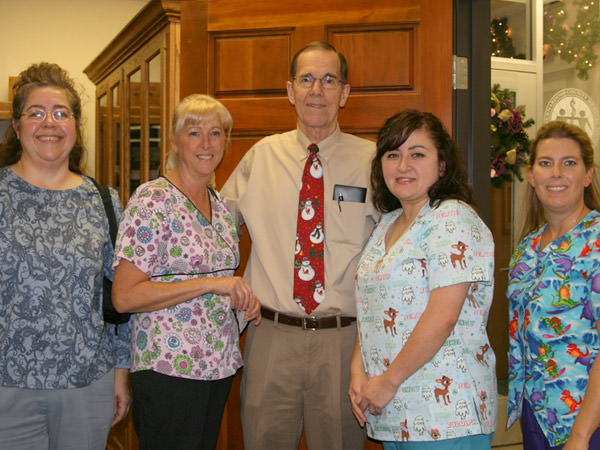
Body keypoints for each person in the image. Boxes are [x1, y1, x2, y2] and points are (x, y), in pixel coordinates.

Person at [221, 41, 377, 449]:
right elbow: (213, 231)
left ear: (344, 93)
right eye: (306, 79)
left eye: (329, 80)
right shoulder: (260, 157)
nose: (317, 91)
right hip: (271, 335)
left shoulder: (374, 163)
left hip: (344, 341)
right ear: (290, 90)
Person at [112, 94, 261, 450]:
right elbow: (125, 296)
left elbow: (218, 280)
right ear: (176, 142)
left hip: (217, 365)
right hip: (169, 368)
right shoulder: (153, 200)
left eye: (215, 133)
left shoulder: (221, 206)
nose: (206, 144)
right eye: (194, 133)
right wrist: (211, 283)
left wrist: (240, 299)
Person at [0, 62, 131, 449]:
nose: (49, 123)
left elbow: (119, 298)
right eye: (36, 113)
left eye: (61, 113)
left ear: (75, 125)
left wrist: (120, 372)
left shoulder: (104, 201)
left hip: (88, 384)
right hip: (8, 387)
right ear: (17, 126)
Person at [349, 110, 497, 449]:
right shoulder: (387, 223)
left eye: (417, 154)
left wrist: (388, 381)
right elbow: (371, 310)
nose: (403, 165)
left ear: (442, 164)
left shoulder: (453, 218)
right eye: (392, 154)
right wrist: (358, 371)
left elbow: (443, 316)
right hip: (395, 413)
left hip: (445, 418)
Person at [506, 120, 600, 450]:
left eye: (569, 163)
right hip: (538, 416)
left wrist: (580, 435)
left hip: (589, 420)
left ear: (588, 175)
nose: (556, 173)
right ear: (531, 176)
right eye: (546, 163)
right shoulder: (527, 249)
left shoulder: (597, 241)